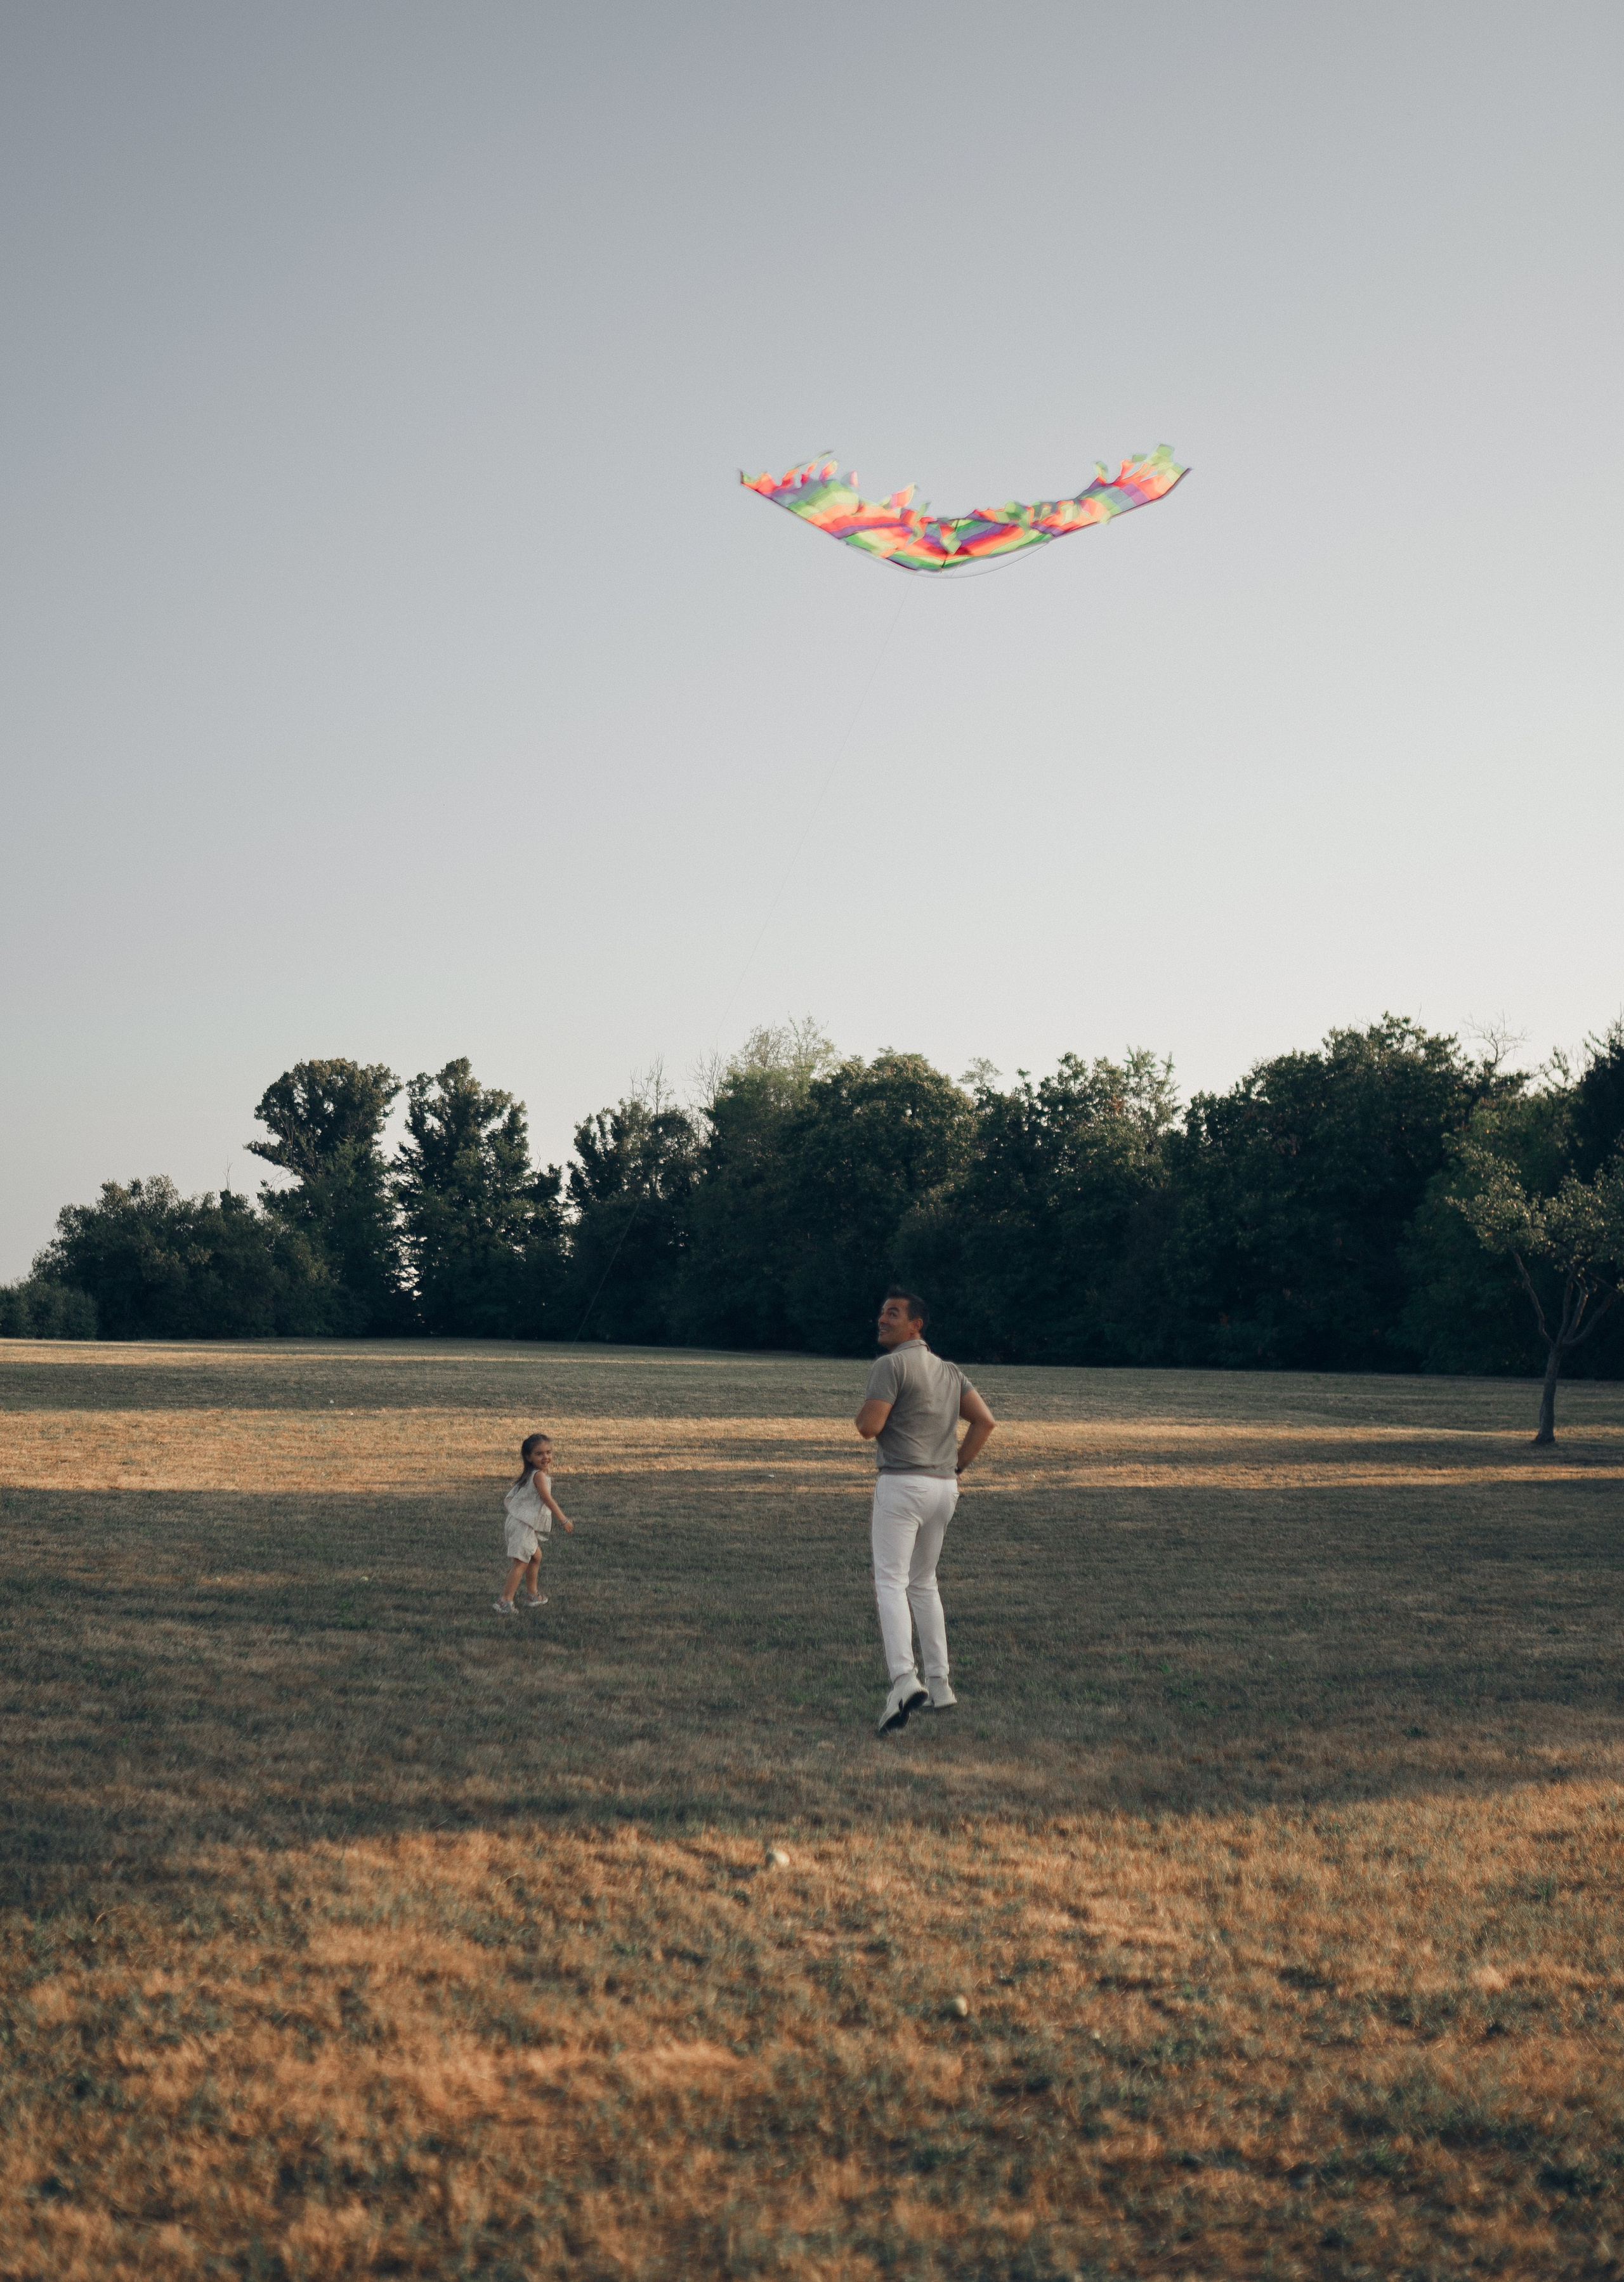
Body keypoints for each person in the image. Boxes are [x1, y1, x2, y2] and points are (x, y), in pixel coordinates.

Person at [855, 1288, 996, 1733]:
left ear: (917, 1324)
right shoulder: (950, 1371)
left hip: (902, 1483)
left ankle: (903, 1679)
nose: (883, 1319)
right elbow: (985, 1421)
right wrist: (958, 1464)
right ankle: (940, 1682)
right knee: (924, 1581)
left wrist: (869, 1413)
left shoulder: (889, 1365)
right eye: (881, 1312)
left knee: (890, 1582)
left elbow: (868, 1426)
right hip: (944, 1487)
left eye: (893, 1313)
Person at [494, 1432, 573, 1615]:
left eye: (548, 1452)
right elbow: (547, 1499)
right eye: (539, 1454)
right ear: (529, 1457)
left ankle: (532, 1595)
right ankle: (505, 1601)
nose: (546, 1457)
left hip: (519, 1523)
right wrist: (564, 1520)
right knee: (521, 1563)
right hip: (522, 1525)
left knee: (535, 1557)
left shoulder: (531, 1475)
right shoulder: (537, 1476)